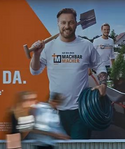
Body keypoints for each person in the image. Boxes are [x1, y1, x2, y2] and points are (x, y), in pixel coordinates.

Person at [29, 8, 108, 139]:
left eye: (70, 22)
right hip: (55, 112)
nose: (67, 26)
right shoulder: (48, 47)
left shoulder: (86, 45)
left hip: (81, 111)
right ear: (58, 24)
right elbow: (35, 71)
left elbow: (99, 65)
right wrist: (36, 55)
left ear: (76, 23)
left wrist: (103, 84)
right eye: (63, 23)